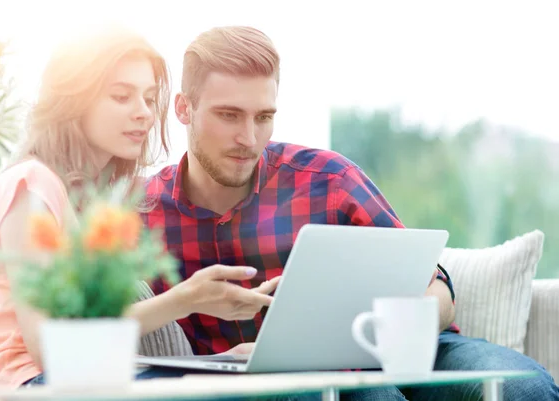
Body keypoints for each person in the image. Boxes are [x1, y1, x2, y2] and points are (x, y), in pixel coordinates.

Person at [142, 25, 559, 401]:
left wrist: (406, 322)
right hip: (283, 381)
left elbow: (439, 287)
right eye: (229, 115)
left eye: (263, 117)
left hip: (407, 355)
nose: (249, 138)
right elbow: (98, 327)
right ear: (183, 109)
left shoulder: (328, 179)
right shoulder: (144, 216)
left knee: (527, 388)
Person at [0, 24, 278, 391]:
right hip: (27, 385)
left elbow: (90, 346)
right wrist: (185, 300)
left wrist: (216, 363)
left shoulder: (86, 205)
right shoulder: (32, 185)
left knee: (260, 381)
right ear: (74, 99)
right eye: (121, 96)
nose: (144, 113)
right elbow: (50, 349)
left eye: (148, 98)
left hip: (81, 382)